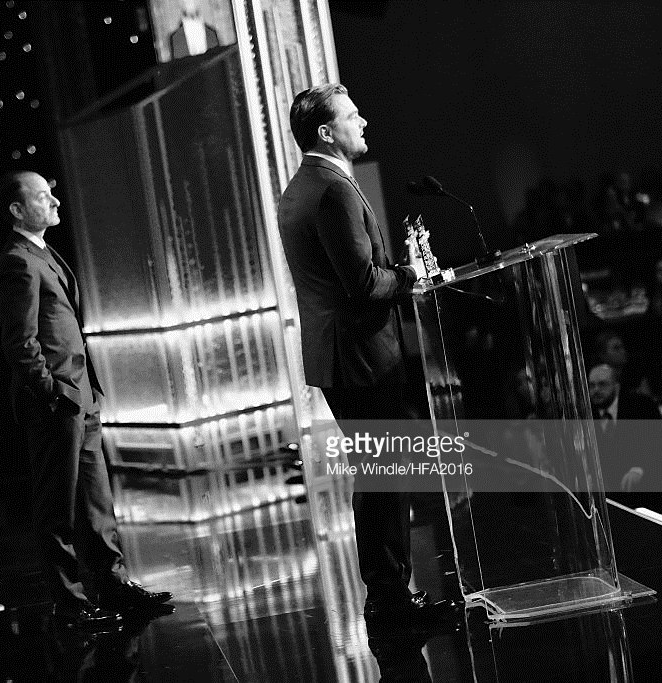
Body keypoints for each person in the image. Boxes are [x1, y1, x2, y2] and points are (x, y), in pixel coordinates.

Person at [278, 84, 444, 627]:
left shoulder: (302, 186)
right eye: (352, 116)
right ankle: (391, 600)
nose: (364, 121)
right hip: (362, 357)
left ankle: (387, 595)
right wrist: (411, 275)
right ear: (327, 132)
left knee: (377, 477)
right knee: (384, 478)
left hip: (342, 357)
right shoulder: (332, 189)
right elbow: (364, 284)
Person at [0, 171, 172, 631]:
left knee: (96, 501)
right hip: (57, 402)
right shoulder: (17, 262)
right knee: (58, 508)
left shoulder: (41, 252)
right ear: (17, 210)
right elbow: (20, 343)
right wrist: (53, 393)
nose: (54, 201)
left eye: (52, 193)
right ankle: (70, 604)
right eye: (42, 196)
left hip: (80, 395)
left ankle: (114, 585)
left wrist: (79, 392)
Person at [588, 363, 662, 499]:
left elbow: (657, 442)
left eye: (602, 384)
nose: (596, 390)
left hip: (643, 486)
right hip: (604, 493)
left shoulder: (642, 406)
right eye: (592, 385)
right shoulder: (585, 414)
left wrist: (639, 468)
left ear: (616, 386)